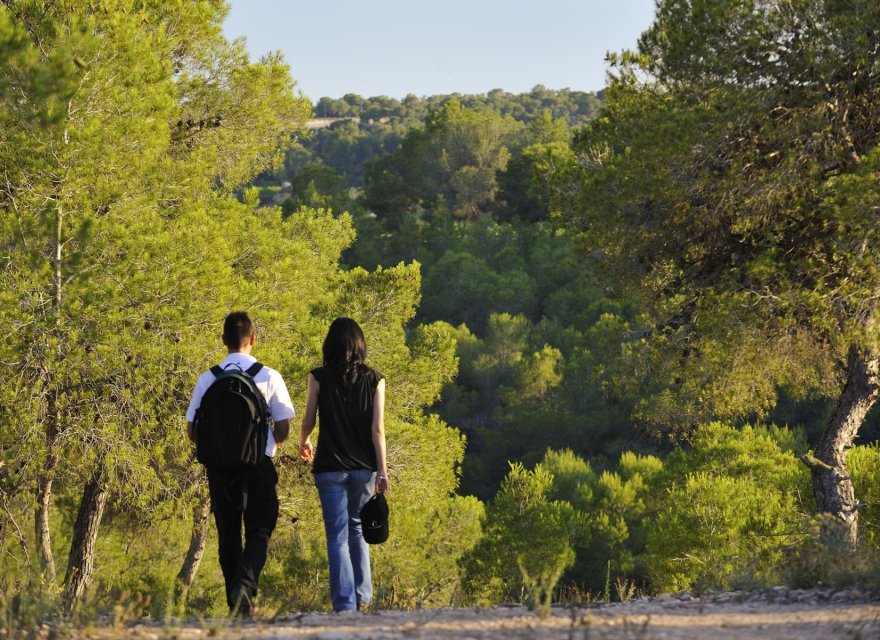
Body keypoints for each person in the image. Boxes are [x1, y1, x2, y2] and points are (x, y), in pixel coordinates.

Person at [186, 311, 295, 616]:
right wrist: (270, 442)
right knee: (260, 528)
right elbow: (284, 426)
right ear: (253, 339)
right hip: (259, 462)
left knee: (228, 533)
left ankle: (236, 606)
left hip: (219, 467)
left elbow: (192, 431)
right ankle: (245, 586)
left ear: (224, 340)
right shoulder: (269, 375)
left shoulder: (209, 378)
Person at [298, 317, 389, 613]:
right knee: (357, 529)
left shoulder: (318, 377)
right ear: (360, 345)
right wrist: (383, 471)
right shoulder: (375, 379)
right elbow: (378, 430)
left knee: (336, 535)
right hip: (364, 468)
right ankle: (363, 597)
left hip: (329, 467)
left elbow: (309, 419)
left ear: (330, 345)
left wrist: (304, 440)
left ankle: (344, 605)